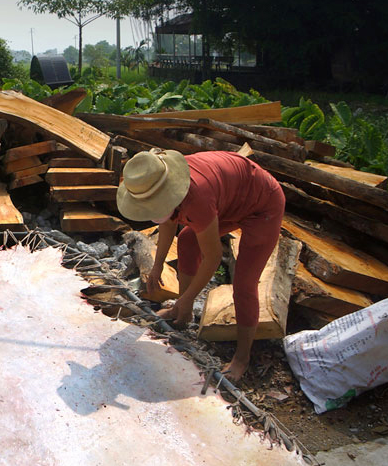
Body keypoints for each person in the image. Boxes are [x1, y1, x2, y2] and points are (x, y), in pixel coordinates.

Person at [116, 149, 285, 381]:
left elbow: (213, 258)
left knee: (244, 286)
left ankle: (242, 357)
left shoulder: (196, 198)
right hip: (230, 198)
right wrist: (157, 266)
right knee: (187, 239)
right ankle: (182, 315)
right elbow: (167, 223)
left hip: (262, 204)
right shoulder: (158, 182)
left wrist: (184, 299)